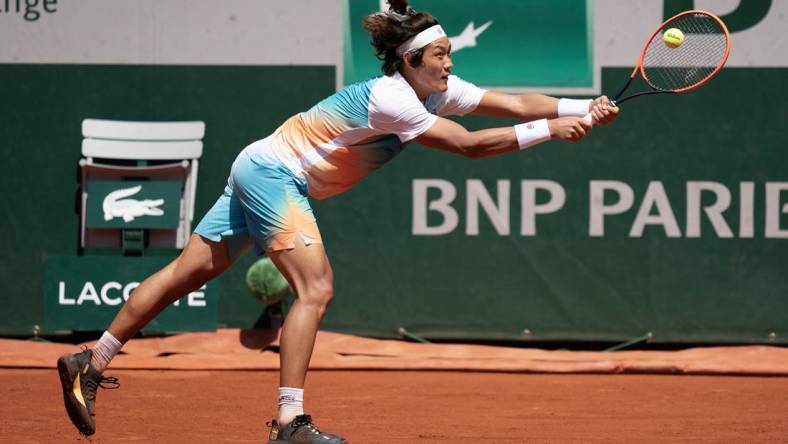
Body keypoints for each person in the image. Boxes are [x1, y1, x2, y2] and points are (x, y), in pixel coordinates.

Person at [57, 0, 619, 442]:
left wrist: (579, 108)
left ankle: (91, 357)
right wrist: (550, 132)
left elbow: (518, 105)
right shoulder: (394, 100)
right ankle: (289, 424)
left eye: (451, 52)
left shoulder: (439, 90)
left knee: (187, 273)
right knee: (316, 287)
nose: (451, 62)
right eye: (441, 54)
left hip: (259, 162)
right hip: (275, 174)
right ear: (409, 60)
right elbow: (471, 149)